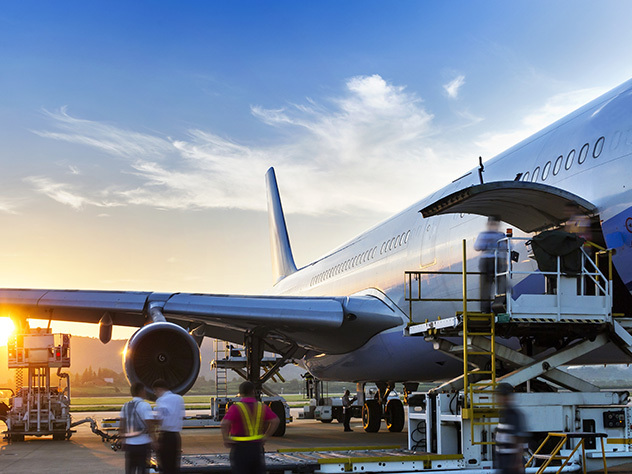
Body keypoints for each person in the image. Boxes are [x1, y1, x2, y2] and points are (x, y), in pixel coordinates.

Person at [221, 381, 279, 474]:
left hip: (240, 448)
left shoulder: (236, 408)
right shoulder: (261, 407)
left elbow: (224, 423)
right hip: (256, 448)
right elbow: (275, 421)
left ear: (240, 393)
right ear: (253, 391)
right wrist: (266, 436)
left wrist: (226, 438)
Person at [119, 382, 155, 474]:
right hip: (143, 445)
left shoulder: (125, 406)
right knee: (142, 470)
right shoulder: (145, 405)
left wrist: (123, 440)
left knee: (130, 470)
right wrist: (155, 441)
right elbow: (150, 425)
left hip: (130, 445)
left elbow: (122, 425)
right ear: (141, 391)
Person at [474, 216, 507, 312]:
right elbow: (507, 246)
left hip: (493, 261)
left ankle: (498, 307)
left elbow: (478, 246)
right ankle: (488, 308)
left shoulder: (487, 235)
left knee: (496, 286)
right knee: (491, 286)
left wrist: (488, 244)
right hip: (492, 261)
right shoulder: (499, 235)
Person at [152, 379, 185, 474]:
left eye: (155, 391)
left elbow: (160, 418)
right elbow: (181, 416)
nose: (155, 394)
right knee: (174, 467)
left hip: (165, 436)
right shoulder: (179, 398)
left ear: (158, 389)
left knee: (165, 466)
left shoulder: (161, 400)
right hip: (176, 436)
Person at [494, 383, 526, 474]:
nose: (498, 399)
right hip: (503, 463)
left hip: (511, 464)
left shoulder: (513, 415)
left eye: (500, 395)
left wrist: (517, 463)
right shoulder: (503, 414)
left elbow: (518, 439)